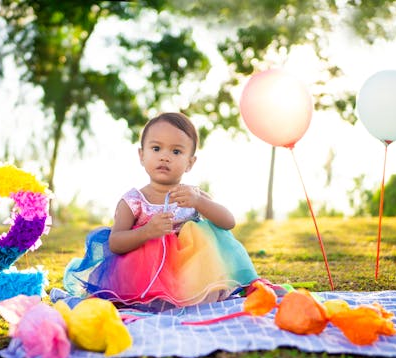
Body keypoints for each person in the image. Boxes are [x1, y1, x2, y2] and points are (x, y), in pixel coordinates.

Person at [63, 112, 258, 309]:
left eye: (176, 152)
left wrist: (199, 202)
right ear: (142, 155)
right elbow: (115, 243)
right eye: (156, 148)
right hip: (144, 273)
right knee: (147, 294)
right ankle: (156, 301)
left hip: (187, 273)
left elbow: (228, 222)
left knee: (202, 244)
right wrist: (147, 232)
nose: (165, 157)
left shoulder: (192, 195)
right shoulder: (133, 200)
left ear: (190, 163)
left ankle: (193, 298)